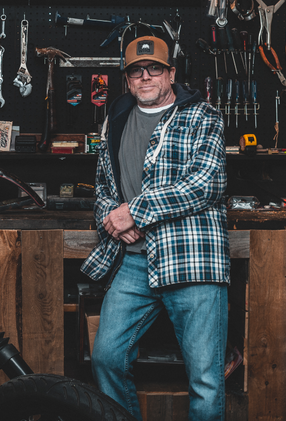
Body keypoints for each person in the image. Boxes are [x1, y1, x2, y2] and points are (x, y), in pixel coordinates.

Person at [81, 35, 230, 420]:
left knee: (205, 379)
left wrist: (136, 212)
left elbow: (207, 183)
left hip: (191, 260)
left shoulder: (202, 116)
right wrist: (112, 217)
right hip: (133, 262)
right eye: (136, 71)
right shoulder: (115, 119)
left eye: (155, 69)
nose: (145, 76)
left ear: (171, 73)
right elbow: (103, 188)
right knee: (107, 357)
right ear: (127, 79)